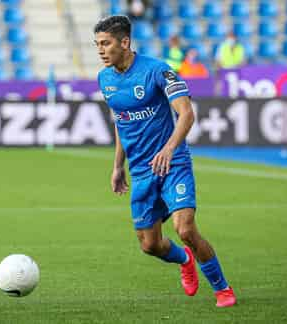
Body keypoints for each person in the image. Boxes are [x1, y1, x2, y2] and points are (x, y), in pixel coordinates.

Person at [94, 15, 236, 308]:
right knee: (150, 245)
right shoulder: (104, 79)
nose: (101, 50)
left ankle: (223, 289)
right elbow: (122, 123)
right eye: (97, 44)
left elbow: (186, 113)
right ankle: (185, 260)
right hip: (141, 171)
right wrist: (118, 165)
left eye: (106, 43)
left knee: (185, 228)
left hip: (173, 163)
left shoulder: (158, 70)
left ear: (125, 42)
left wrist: (170, 148)